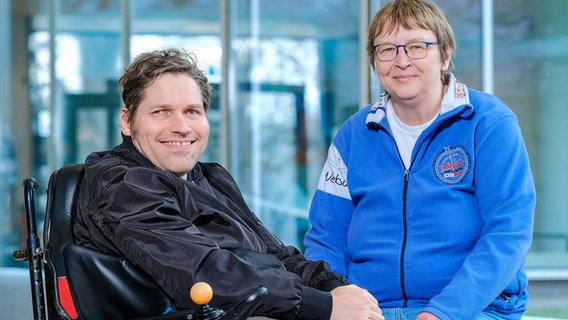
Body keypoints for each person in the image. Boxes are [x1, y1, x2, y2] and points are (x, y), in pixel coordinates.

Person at [72, 48, 382, 320]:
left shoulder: (210, 178)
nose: (181, 127)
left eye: (192, 111)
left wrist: (335, 289)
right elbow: (204, 273)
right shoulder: (123, 184)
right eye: (161, 112)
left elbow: (277, 254)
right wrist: (322, 306)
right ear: (127, 121)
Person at [303, 0, 536, 319]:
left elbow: (508, 231)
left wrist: (443, 312)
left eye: (416, 46)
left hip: (473, 310)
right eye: (386, 49)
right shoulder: (353, 134)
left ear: (446, 54)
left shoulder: (489, 124)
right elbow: (326, 237)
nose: (401, 61)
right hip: (371, 311)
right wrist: (337, 298)